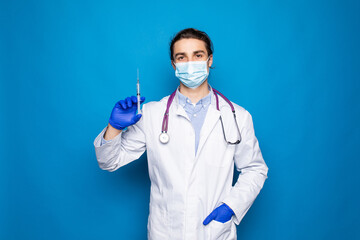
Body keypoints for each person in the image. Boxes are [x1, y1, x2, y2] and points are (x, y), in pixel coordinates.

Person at [93, 28, 268, 240]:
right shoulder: (152, 114)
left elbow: (255, 169)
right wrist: (114, 127)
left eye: (198, 55)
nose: (190, 63)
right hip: (166, 231)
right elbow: (109, 162)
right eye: (181, 57)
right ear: (174, 65)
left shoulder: (237, 116)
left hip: (213, 231)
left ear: (209, 60)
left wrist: (231, 207)